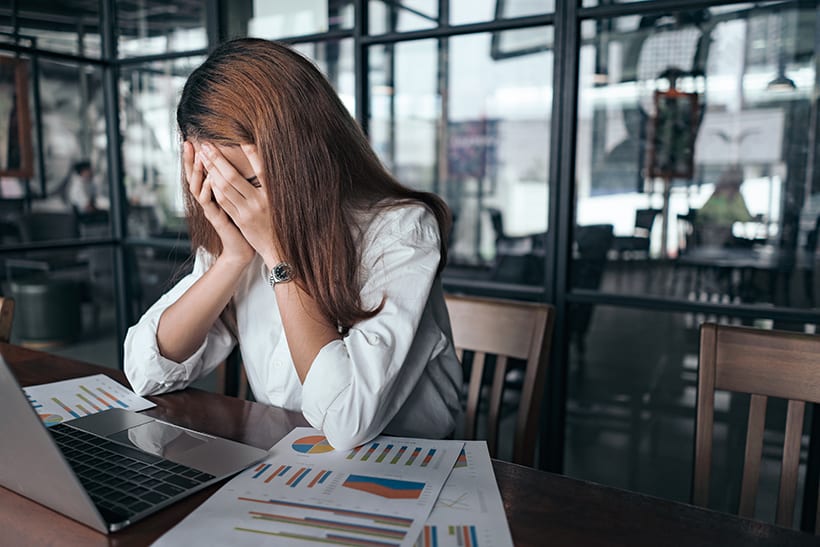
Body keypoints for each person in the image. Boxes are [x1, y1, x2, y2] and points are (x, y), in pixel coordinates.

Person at [124, 38, 463, 450]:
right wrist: (231, 259)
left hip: (402, 466)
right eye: (220, 187)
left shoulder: (399, 228)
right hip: (289, 459)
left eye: (249, 184)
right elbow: (145, 371)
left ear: (303, 153)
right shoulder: (239, 226)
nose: (237, 203)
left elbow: (345, 419)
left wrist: (278, 256)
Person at [694, 165, 754, 247]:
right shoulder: (716, 195)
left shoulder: (737, 197)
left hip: (726, 234)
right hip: (708, 231)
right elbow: (701, 213)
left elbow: (745, 218)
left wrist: (730, 203)